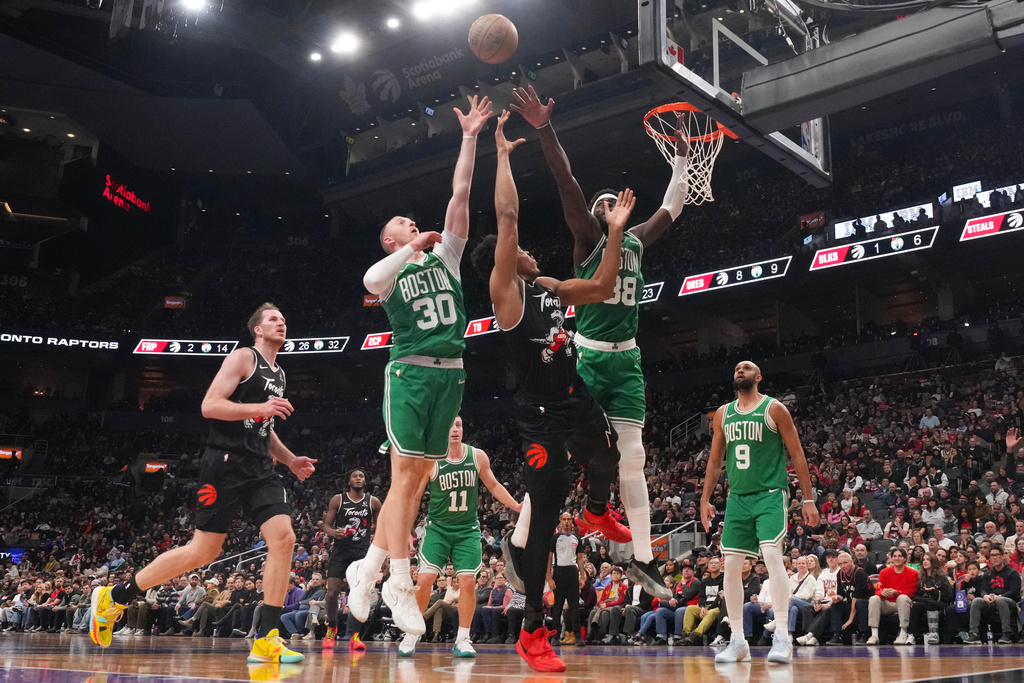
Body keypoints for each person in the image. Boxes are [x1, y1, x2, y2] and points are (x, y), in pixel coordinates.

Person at [469, 111, 635, 672]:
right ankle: (533, 632)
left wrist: (613, 234)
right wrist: (504, 155)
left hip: (574, 396)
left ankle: (596, 511)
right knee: (543, 519)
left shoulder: (543, 285)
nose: (529, 249)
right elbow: (508, 213)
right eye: (518, 249)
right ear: (504, 259)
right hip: (538, 416)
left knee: (609, 456)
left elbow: (604, 285)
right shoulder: (507, 295)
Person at [510, 84, 689, 602]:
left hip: (627, 360)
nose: (612, 205)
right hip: (586, 358)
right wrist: (544, 127)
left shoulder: (636, 240)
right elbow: (566, 182)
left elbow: (673, 206)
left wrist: (680, 159)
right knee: (557, 452)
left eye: (617, 201)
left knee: (632, 458)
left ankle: (643, 559)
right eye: (603, 203)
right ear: (594, 215)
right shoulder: (589, 238)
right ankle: (520, 542)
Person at [89, 303, 315, 664]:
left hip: (260, 467)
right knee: (203, 552)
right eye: (273, 319)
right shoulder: (244, 357)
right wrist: (260, 409)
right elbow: (211, 406)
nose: (281, 323)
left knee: (284, 538)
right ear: (257, 329)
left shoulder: (280, 374)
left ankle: (267, 638)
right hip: (224, 463)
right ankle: (116, 596)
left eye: (284, 319)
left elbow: (264, 428)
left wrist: (290, 460)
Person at [349, 95, 493, 638]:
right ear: (393, 239)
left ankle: (371, 568)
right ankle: (398, 580)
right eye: (405, 224)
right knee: (405, 479)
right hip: (408, 372)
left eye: (415, 223)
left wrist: (470, 137)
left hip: (450, 372)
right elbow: (368, 281)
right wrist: (411, 247)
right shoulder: (390, 270)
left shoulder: (447, 256)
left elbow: (461, 192)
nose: (417, 224)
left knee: (416, 481)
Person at [700, 361, 819, 664]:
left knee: (771, 555)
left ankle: (783, 635)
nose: (740, 370)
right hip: (738, 497)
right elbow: (715, 461)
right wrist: (705, 499)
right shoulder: (724, 414)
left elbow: (798, 454)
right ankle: (738, 641)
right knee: (730, 566)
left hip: (769, 494)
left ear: (759, 377)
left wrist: (808, 498)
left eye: (747, 367)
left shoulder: (774, 408)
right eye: (737, 368)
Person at [398, 416, 522, 657]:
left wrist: (516, 506)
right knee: (424, 580)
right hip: (438, 529)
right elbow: (415, 497)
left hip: (467, 530)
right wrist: (406, 531)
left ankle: (462, 639)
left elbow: (494, 486)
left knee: (467, 582)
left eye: (458, 425)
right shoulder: (431, 460)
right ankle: (412, 633)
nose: (454, 430)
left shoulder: (477, 456)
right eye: (449, 426)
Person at [320, 468, 381, 649]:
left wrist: (381, 555)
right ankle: (332, 627)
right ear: (348, 481)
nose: (358, 478)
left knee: (359, 594)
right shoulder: (338, 500)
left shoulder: (373, 502)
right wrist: (333, 533)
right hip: (340, 550)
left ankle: (354, 635)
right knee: (332, 593)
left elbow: (381, 528)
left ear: (365, 480)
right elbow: (326, 526)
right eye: (355, 476)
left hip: (361, 553)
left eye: (361, 476)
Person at [963, 547, 1022, 644]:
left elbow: (1015, 591)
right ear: (989, 558)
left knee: (1001, 600)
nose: (994, 558)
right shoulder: (987, 574)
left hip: (1009, 600)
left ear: (1003, 556)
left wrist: (1000, 596)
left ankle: (1006, 634)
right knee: (977, 601)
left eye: (997, 555)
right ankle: (974, 634)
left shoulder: (1012, 573)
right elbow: (983, 589)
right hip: (991, 600)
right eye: (992, 556)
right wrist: (985, 596)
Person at [866, 547, 918, 644]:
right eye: (894, 556)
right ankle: (874, 635)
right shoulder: (884, 572)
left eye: (900, 556)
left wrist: (896, 592)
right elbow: (878, 590)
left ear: (905, 559)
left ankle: (903, 634)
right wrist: (882, 593)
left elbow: (911, 592)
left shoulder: (912, 573)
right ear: (891, 558)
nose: (897, 558)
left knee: (902, 598)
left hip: (904, 604)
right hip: (888, 603)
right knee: (874, 599)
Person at [908, 552, 953, 644]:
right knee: (916, 605)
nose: (925, 562)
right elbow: (918, 594)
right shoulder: (921, 578)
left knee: (923, 604)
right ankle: (912, 635)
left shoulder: (941, 578)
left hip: (940, 602)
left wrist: (934, 592)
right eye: (923, 560)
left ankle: (913, 634)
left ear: (933, 561)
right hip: (924, 602)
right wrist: (915, 600)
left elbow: (949, 596)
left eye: (928, 559)